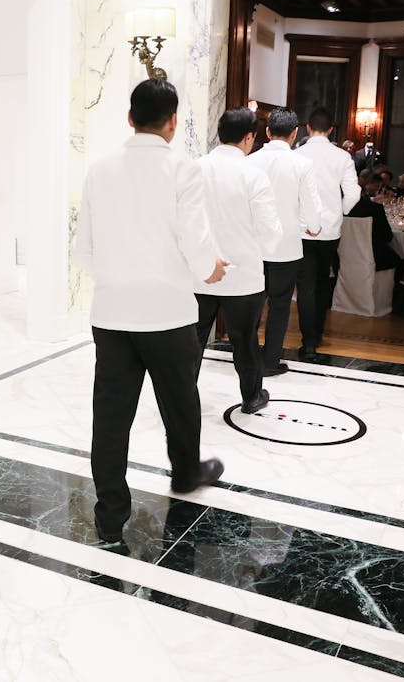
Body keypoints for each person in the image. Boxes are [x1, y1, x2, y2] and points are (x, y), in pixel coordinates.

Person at [73, 79, 228, 545]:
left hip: (113, 314)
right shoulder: (183, 168)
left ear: (129, 118)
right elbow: (195, 237)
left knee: (111, 415)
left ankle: (109, 514)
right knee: (180, 402)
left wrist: (118, 276)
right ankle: (185, 474)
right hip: (168, 313)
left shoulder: (99, 170)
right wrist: (210, 270)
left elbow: (83, 250)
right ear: (174, 121)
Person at [194, 107, 282, 412]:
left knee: (192, 341)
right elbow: (270, 231)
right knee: (245, 341)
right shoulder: (253, 175)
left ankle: (179, 397)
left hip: (199, 272)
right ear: (249, 137)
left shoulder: (195, 168)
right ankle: (251, 397)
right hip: (243, 277)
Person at [246, 107, 323, 376]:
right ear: (294, 134)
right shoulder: (302, 164)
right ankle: (270, 361)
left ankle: (248, 360)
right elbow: (311, 205)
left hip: (253, 247)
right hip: (286, 247)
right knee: (279, 305)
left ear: (267, 131)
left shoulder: (250, 161)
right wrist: (314, 227)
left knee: (252, 305)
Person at [295, 107, 360, 360]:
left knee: (305, 285)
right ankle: (317, 334)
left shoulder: (298, 155)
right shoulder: (342, 157)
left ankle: (308, 341)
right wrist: (337, 213)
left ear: (308, 128)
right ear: (331, 129)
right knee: (323, 282)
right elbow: (354, 193)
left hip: (302, 229)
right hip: (330, 232)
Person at [347, 175, 404, 281]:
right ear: (364, 191)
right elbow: (387, 237)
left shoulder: (338, 211)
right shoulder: (375, 209)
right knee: (400, 262)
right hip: (373, 258)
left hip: (343, 260)